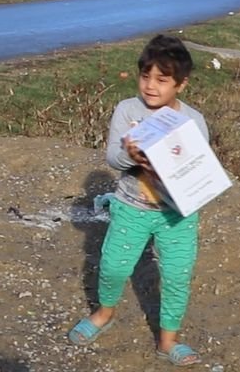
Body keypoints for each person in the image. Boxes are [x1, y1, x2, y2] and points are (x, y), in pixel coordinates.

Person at [66, 34, 207, 367]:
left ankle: (168, 340)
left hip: (178, 216)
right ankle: (105, 312)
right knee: (114, 266)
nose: (150, 86)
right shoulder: (127, 110)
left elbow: (198, 167)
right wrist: (130, 155)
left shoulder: (194, 121)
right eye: (146, 76)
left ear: (181, 84)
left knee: (175, 275)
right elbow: (113, 159)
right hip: (131, 207)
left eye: (162, 79)